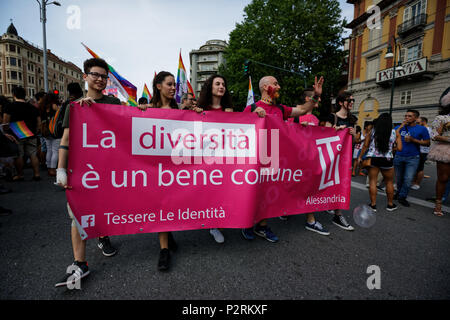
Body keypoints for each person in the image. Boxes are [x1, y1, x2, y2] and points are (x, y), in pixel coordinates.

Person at [55, 58, 121, 288]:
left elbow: (132, 123)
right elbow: (65, 139)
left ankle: (103, 236)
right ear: (85, 77)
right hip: (81, 171)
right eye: (96, 75)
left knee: (103, 209)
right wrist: (61, 169)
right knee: (77, 215)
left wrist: (141, 108)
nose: (100, 79)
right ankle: (80, 264)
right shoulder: (74, 107)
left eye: (104, 76)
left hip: (107, 171)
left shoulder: (113, 103)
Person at [241, 75, 324, 242]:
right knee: (252, 192)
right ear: (265, 87)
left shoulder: (280, 109)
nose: (279, 87)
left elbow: (301, 110)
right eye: (275, 84)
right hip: (254, 159)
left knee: (267, 193)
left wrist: (315, 95)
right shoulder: (251, 108)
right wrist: (252, 117)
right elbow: (239, 133)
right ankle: (247, 222)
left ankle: (262, 226)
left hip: (274, 159)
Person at [197, 74, 233, 243]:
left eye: (223, 84)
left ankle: (217, 222)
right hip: (205, 158)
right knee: (209, 192)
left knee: (223, 191)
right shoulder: (200, 110)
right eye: (217, 83)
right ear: (210, 87)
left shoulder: (230, 110)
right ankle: (212, 224)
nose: (221, 86)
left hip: (225, 158)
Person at [288, 88, 329, 236]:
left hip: (310, 160)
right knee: (291, 186)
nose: (319, 101)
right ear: (307, 99)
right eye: (315, 98)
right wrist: (297, 129)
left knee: (310, 188)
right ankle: (286, 209)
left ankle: (310, 220)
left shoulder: (316, 119)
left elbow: (320, 137)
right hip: (294, 160)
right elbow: (285, 133)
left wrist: (338, 131)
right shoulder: (295, 114)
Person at [358, 113, 404, 212]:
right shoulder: (395, 133)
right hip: (387, 159)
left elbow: (365, 146)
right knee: (389, 182)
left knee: (373, 182)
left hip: (373, 158)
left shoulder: (372, 131)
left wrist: (360, 157)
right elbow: (400, 148)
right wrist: (391, 149)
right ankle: (390, 205)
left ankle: (373, 205)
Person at [325, 92, 357, 231]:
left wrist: (353, 135)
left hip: (345, 158)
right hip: (332, 157)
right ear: (340, 102)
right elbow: (324, 135)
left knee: (342, 186)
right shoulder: (332, 117)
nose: (351, 102)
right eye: (349, 100)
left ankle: (338, 215)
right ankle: (325, 204)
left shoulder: (352, 119)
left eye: (352, 100)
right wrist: (337, 129)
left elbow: (355, 140)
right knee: (328, 183)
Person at [2, 86, 41, 181]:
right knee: (33, 154)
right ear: (24, 95)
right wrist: (36, 131)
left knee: (19, 155)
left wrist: (5, 132)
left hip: (16, 134)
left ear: (14, 95)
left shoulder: (9, 106)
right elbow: (39, 122)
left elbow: (5, 122)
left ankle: (20, 175)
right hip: (31, 133)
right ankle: (36, 174)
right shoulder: (32, 107)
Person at [393, 110, 430, 207]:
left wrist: (413, 140)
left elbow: (427, 142)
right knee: (399, 178)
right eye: (405, 116)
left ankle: (402, 196)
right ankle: (399, 192)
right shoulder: (398, 128)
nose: (406, 118)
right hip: (398, 156)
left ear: (416, 118)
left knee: (408, 179)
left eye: (409, 116)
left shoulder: (422, 129)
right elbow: (392, 140)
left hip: (413, 157)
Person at [427, 88, 450, 216]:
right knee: (443, 178)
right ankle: (438, 204)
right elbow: (434, 135)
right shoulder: (441, 118)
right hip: (445, 150)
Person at [38, 93, 61, 177]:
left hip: (45, 130)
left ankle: (49, 167)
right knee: (55, 150)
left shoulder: (42, 106)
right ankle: (52, 169)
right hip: (54, 130)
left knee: (49, 149)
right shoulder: (54, 105)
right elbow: (59, 114)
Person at [411, 117, 432, 190]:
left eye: (418, 122)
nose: (417, 124)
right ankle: (414, 182)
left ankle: (417, 184)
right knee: (416, 167)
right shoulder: (426, 129)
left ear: (423, 122)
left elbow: (426, 141)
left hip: (423, 151)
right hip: (420, 150)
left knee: (420, 168)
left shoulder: (427, 129)